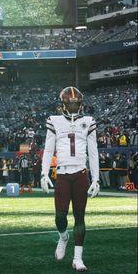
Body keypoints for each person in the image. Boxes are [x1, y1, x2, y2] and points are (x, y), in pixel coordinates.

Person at [41, 86, 99, 272]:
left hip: (81, 173)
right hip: (63, 174)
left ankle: (77, 258)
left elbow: (93, 151)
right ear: (63, 104)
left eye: (77, 104)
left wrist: (96, 178)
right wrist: (44, 172)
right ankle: (63, 236)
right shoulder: (54, 121)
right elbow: (49, 149)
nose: (74, 107)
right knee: (60, 216)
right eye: (71, 103)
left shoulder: (89, 121)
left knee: (80, 217)